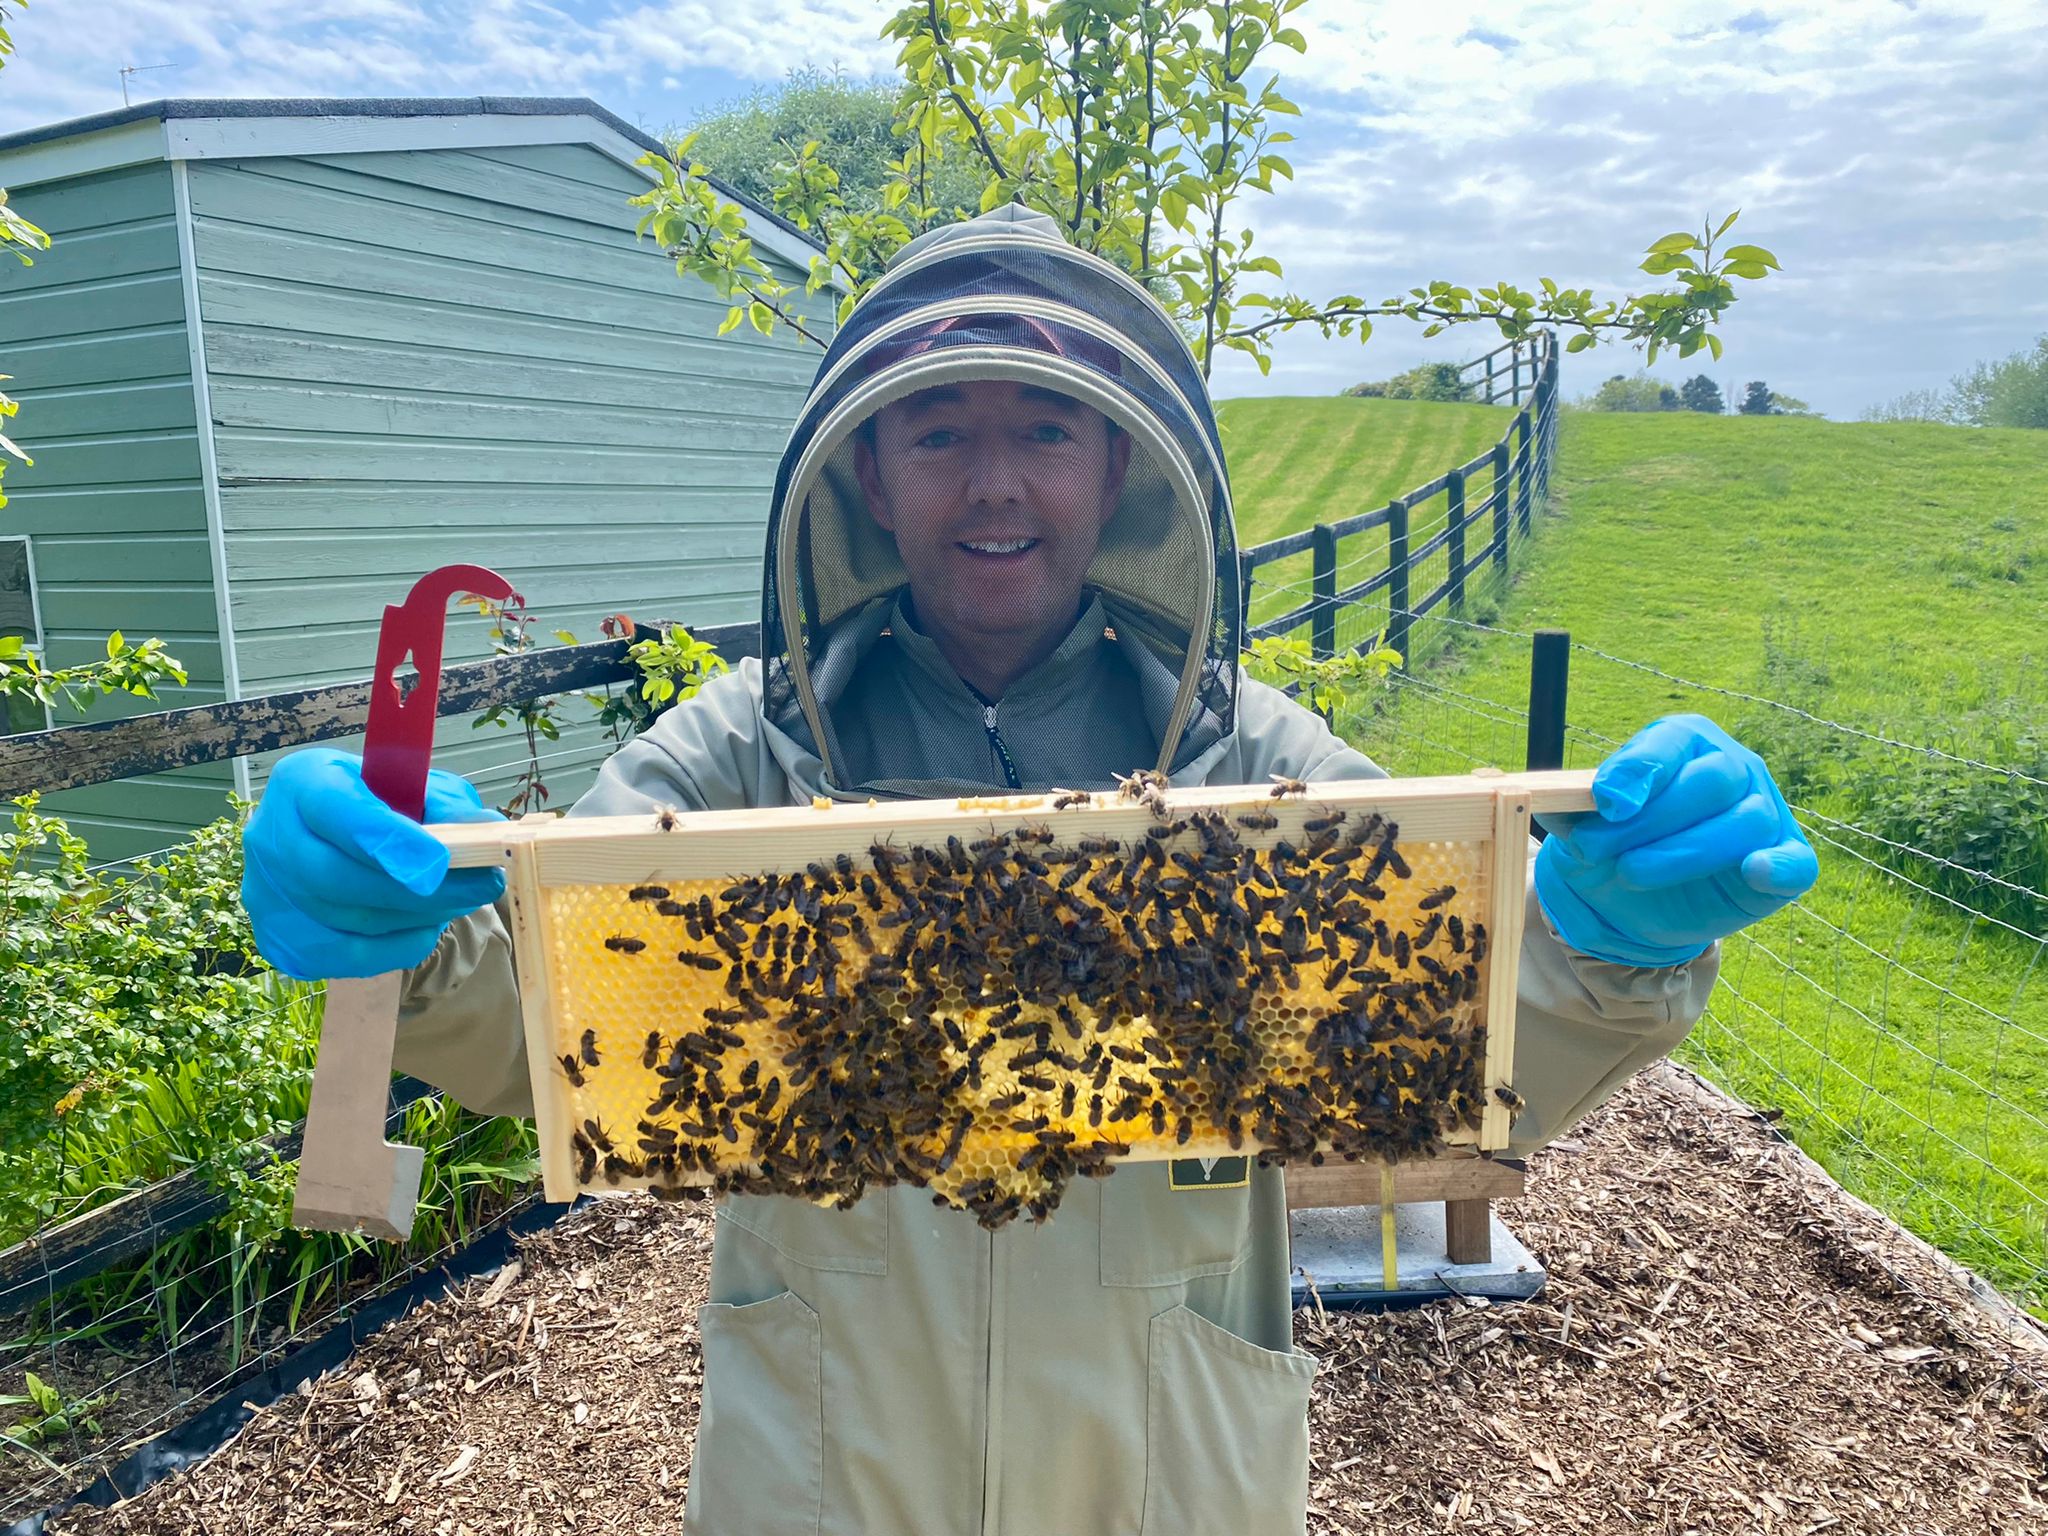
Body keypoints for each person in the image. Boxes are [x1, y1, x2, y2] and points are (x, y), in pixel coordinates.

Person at [241, 205, 1817, 1536]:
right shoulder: (737, 752)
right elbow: (539, 1021)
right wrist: (402, 938)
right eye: (940, 432)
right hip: (823, 1463)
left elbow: (1445, 1042)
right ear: (871, 477)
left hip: (1166, 1461)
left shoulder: (1256, 763)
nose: (993, 481)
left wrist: (1598, 942)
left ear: (1116, 470)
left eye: (1044, 430)